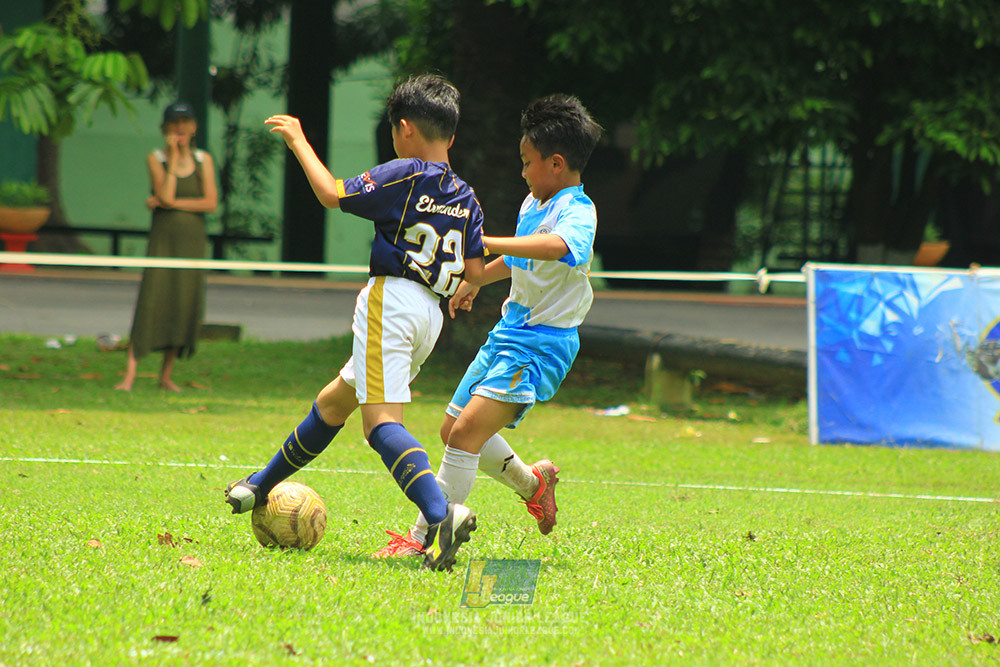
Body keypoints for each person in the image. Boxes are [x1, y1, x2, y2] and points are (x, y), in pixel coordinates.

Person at [225, 74, 486, 572]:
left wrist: (299, 139)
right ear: (450, 136)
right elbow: (474, 273)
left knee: (380, 424)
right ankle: (257, 485)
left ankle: (441, 513)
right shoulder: (467, 196)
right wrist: (464, 287)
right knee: (334, 401)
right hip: (430, 316)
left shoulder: (406, 172)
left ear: (403, 128)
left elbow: (330, 193)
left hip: (391, 301)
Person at [372, 94, 603, 558]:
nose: (522, 171)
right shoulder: (534, 201)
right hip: (509, 333)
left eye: (527, 162)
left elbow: (557, 246)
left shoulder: (578, 210)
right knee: (452, 428)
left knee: (464, 437)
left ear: (556, 163)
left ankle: (423, 539)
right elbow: (521, 253)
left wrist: (482, 239)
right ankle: (532, 482)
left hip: (542, 345)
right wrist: (477, 277)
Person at [115, 102, 218, 392]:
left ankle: (166, 375)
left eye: (185, 122)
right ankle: (130, 375)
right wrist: (173, 161)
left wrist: (169, 204)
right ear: (165, 128)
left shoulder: (203, 160)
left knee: (182, 301)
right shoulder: (156, 158)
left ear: (194, 127)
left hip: (192, 242)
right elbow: (166, 191)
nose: (180, 128)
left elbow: (209, 202)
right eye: (174, 123)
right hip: (163, 240)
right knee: (152, 298)